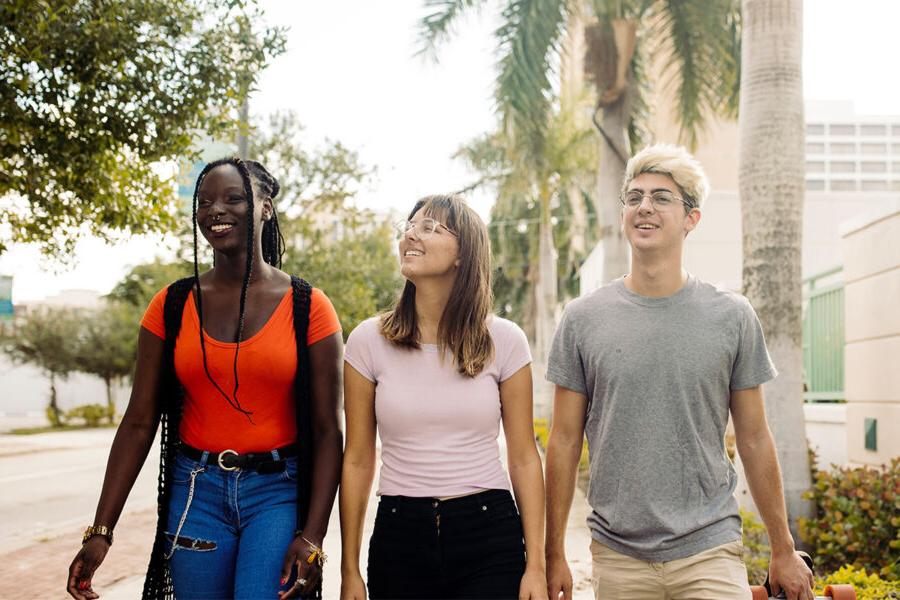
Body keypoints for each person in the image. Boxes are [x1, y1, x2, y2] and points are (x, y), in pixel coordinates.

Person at [544, 145, 816, 600]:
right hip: (618, 554)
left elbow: (754, 437)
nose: (644, 206)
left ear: (692, 219)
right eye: (634, 197)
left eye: (661, 197)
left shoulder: (732, 315)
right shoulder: (582, 318)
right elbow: (564, 440)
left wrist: (782, 548)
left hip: (709, 548)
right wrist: (552, 554)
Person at [66, 157, 344, 600]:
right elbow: (139, 422)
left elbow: (330, 430)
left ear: (265, 208)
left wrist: (313, 537)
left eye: (234, 198)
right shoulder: (171, 305)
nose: (216, 209)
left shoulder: (308, 307)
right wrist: (101, 530)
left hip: (277, 493)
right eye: (205, 201)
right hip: (196, 492)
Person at [339, 194, 547, 600]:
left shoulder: (504, 340)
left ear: (462, 254)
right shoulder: (367, 341)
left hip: (489, 533)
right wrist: (350, 570)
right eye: (410, 225)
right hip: (400, 535)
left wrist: (536, 565)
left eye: (430, 227)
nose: (411, 234)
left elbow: (523, 456)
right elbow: (359, 459)